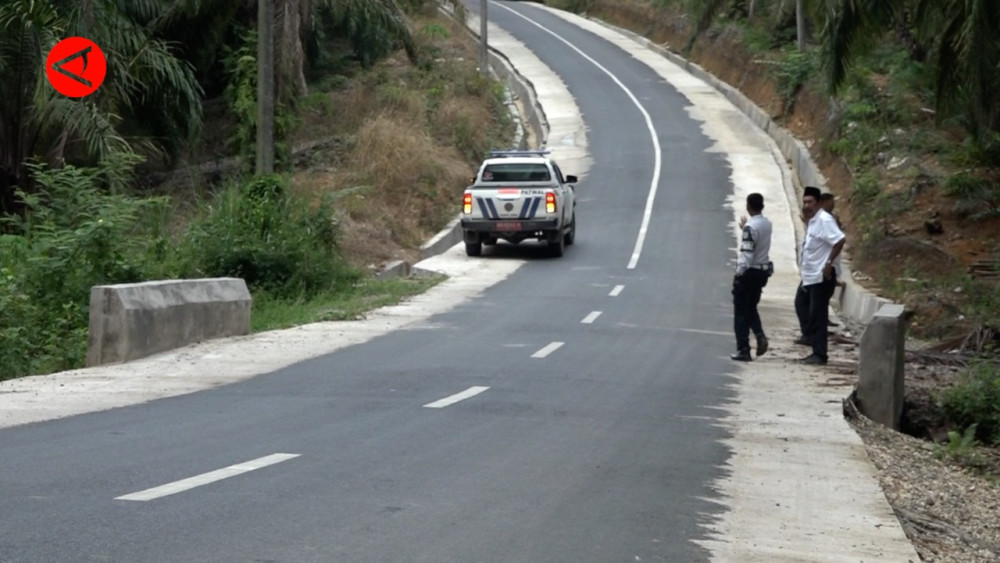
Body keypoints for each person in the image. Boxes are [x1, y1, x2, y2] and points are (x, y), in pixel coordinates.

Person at [794, 186, 845, 365]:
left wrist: (829, 263)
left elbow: (839, 240)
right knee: (801, 304)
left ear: (819, 202)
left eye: (810, 202)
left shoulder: (824, 220)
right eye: (805, 202)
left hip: (821, 276)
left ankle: (819, 353)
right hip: (810, 276)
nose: (807, 205)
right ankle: (810, 338)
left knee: (818, 314)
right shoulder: (813, 221)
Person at [731, 193, 772, 362]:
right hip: (762, 271)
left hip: (750, 272)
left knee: (741, 311)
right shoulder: (766, 224)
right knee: (751, 307)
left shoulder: (750, 228)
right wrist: (745, 229)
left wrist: (739, 273)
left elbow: (747, 254)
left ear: (748, 207)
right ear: (762, 206)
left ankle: (744, 350)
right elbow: (758, 241)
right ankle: (759, 334)